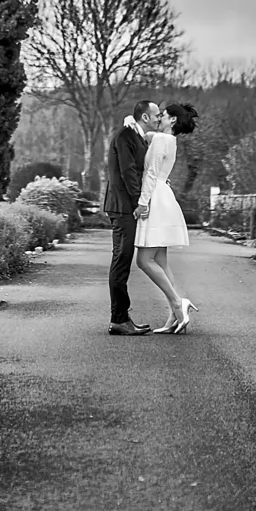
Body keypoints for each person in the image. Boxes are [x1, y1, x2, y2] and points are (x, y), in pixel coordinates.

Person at [135, 102, 199, 333]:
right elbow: (148, 134)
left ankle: (176, 302)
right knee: (160, 260)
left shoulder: (163, 140)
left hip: (155, 198)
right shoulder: (168, 140)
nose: (159, 117)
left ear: (172, 120)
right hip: (163, 195)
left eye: (163, 115)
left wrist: (142, 203)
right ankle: (175, 315)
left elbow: (151, 173)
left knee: (143, 260)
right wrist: (132, 123)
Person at [102, 99, 162, 335]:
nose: (159, 118)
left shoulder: (133, 135)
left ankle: (121, 317)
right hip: (123, 206)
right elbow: (128, 171)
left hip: (125, 205)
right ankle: (118, 319)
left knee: (122, 260)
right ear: (145, 117)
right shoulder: (125, 136)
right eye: (156, 115)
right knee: (121, 260)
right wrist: (140, 201)